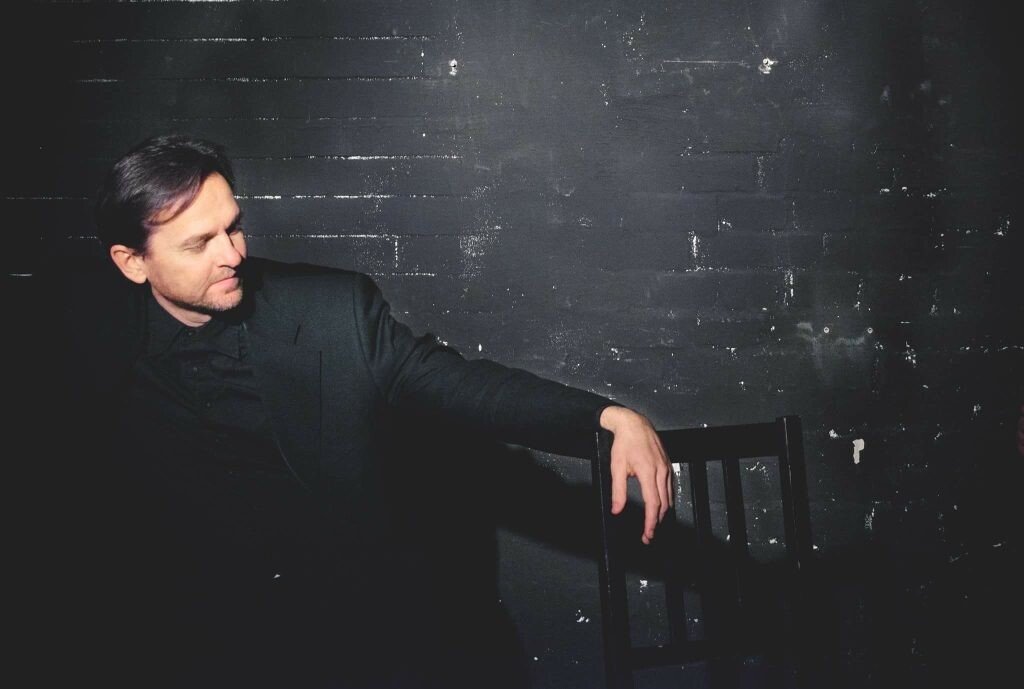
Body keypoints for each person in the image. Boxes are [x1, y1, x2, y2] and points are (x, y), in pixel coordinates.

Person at [26, 134, 673, 688]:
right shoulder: (70, 330)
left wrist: (604, 417)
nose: (233, 254)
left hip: (337, 638)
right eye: (200, 244)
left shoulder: (333, 313)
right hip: (175, 639)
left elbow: (457, 386)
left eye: (234, 227)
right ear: (132, 264)